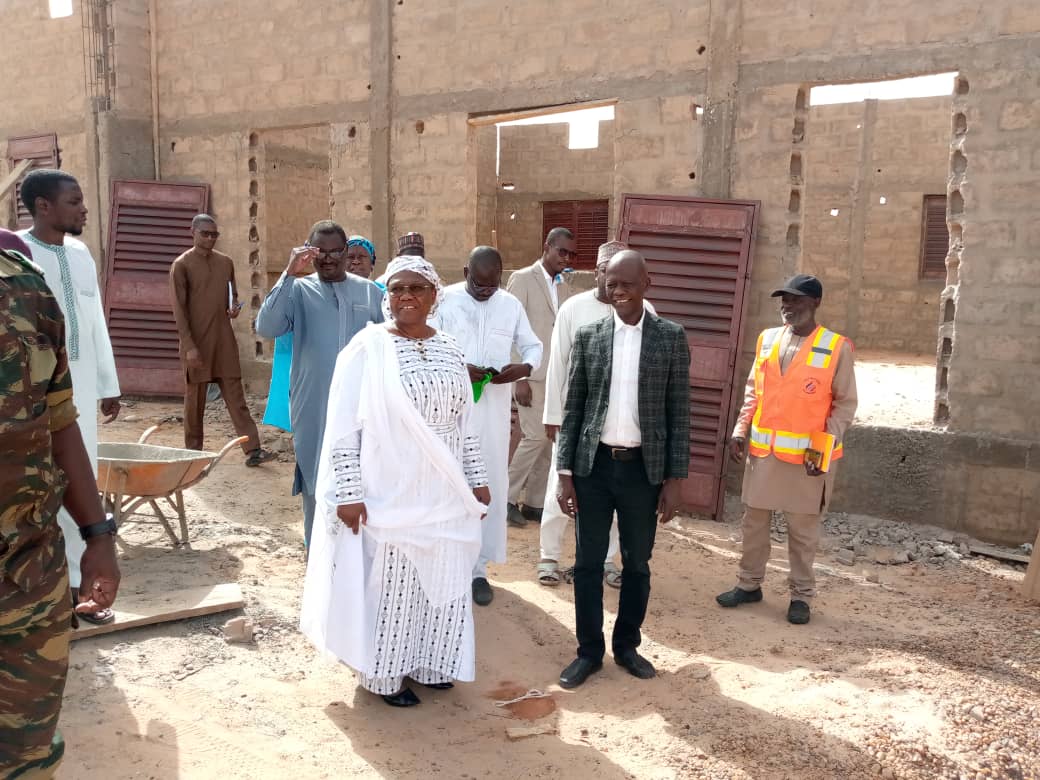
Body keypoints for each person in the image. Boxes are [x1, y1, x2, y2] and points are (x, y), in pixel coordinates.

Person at [300, 255, 490, 708]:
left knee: (443, 578)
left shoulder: (450, 346)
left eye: (416, 289)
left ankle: (432, 661)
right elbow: (345, 427)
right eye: (397, 289)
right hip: (388, 485)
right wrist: (348, 493)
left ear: (434, 296)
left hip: (444, 488)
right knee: (394, 585)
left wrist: (477, 478)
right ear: (387, 298)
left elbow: (466, 421)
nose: (406, 296)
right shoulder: (367, 349)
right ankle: (384, 674)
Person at [1, 246, 120, 777]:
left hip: (26, 572)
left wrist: (98, 536)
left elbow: (61, 420)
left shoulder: (23, 287)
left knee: (29, 752)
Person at [555, 250, 690, 689]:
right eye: (612, 284)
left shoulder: (670, 338)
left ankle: (627, 646)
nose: (618, 291)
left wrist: (674, 478)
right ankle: (589, 652)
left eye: (627, 283)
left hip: (642, 473)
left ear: (646, 284)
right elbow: (573, 407)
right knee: (588, 563)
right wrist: (564, 473)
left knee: (636, 564)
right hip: (593, 468)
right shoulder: (590, 336)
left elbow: (679, 412)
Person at [716, 274, 857, 625]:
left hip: (808, 461)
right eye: (784, 299)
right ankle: (749, 585)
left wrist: (822, 449)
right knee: (754, 524)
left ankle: (801, 596)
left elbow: (845, 405)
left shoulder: (836, 347)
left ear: (815, 304)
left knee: (802, 533)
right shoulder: (767, 340)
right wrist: (739, 430)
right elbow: (754, 391)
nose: (787, 306)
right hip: (763, 454)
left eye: (795, 300)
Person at [18, 168, 121, 625]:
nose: (84, 209)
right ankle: (46, 592)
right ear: (44, 206)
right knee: (43, 487)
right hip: (33, 396)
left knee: (83, 487)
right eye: (74, 201)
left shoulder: (81, 254)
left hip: (79, 390)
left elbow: (95, 320)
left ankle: (85, 590)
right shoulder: (17, 256)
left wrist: (107, 384)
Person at [256, 221, 384, 546]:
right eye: (320, 252)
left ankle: (355, 567)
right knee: (316, 483)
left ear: (346, 252)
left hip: (361, 408)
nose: (328, 259)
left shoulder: (369, 292)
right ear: (308, 251)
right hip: (314, 408)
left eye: (335, 252)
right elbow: (267, 326)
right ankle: (318, 563)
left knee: (362, 482)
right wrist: (289, 273)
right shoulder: (298, 291)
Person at [538, 240, 657, 588]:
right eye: (605, 273)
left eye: (619, 275)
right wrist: (552, 414)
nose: (611, 282)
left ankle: (607, 560)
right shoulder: (573, 309)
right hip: (576, 420)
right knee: (559, 487)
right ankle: (549, 556)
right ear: (597, 274)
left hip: (621, 425)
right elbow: (557, 364)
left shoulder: (646, 310)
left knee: (616, 496)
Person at [434, 246, 542, 606]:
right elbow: (427, 345)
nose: (485, 292)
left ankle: (479, 570)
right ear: (466, 271)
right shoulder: (444, 301)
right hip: (448, 408)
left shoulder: (509, 304)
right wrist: (458, 367)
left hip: (493, 410)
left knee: (490, 482)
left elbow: (532, 346)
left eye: (491, 285)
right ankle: (447, 565)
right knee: (448, 479)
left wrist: (522, 369)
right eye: (478, 285)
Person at [169, 214, 274, 465]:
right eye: (205, 233)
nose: (210, 238)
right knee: (195, 401)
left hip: (224, 340)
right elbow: (178, 310)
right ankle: (193, 454)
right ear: (192, 232)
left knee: (236, 396)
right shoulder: (181, 265)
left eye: (214, 234)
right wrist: (189, 346)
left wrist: (234, 308)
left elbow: (232, 296)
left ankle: (253, 450)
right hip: (196, 343)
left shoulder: (225, 263)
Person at [505, 227, 576, 527]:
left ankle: (534, 502)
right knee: (533, 436)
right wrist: (518, 376)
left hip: (555, 376)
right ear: (546, 247)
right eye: (561, 251)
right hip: (529, 375)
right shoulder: (522, 279)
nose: (566, 258)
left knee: (549, 440)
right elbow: (509, 328)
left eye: (571, 254)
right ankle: (506, 498)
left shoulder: (563, 287)